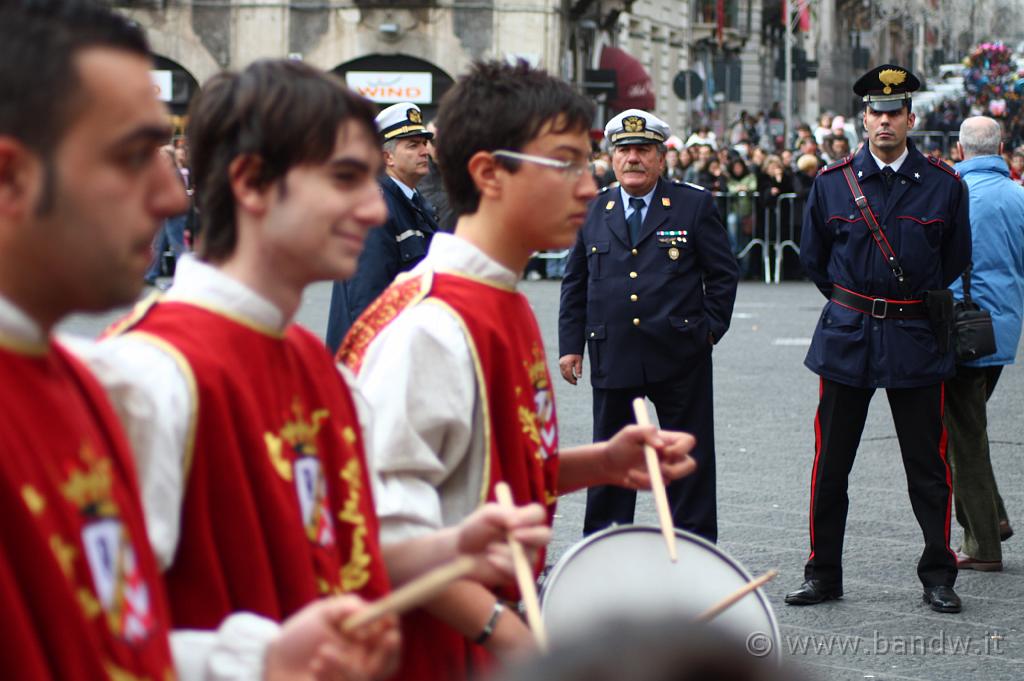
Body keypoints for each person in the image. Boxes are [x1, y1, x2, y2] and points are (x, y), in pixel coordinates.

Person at [83, 57, 553, 672]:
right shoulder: (146, 374)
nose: (374, 210)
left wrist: (452, 546)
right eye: (343, 178)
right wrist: (259, 660)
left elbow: (350, 548)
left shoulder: (321, 367)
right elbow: (86, 639)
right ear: (251, 184)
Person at [0, 2, 402, 678]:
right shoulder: (138, 375)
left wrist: (260, 657)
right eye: (135, 156)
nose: (171, 194)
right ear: (12, 176)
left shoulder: (76, 380)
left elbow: (113, 639)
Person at [337, 61, 698, 679]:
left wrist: (602, 463)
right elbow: (379, 532)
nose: (589, 185)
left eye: (589, 163)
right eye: (566, 163)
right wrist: (518, 639)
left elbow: (475, 474)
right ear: (488, 172)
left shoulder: (502, 299)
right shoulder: (429, 325)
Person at [787, 64, 971, 613]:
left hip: (915, 336)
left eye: (895, 113)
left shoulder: (943, 185)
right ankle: (823, 573)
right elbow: (815, 262)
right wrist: (858, 304)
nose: (885, 122)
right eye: (876, 113)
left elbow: (955, 258)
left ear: (911, 118)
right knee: (831, 466)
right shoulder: (831, 182)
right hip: (848, 337)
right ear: (863, 119)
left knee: (928, 468)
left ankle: (938, 574)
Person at [558, 109, 738, 542]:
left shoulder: (693, 205)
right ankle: (605, 550)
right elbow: (575, 281)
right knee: (611, 463)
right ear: (611, 158)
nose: (633, 159)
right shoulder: (593, 208)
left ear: (661, 159)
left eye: (643, 150)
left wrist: (707, 331)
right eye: (624, 150)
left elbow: (723, 274)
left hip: (679, 353)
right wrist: (571, 346)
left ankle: (694, 551)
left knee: (688, 461)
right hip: (614, 352)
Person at [945, 116, 1024, 571]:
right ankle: (993, 517)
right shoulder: (1017, 195)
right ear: (1000, 148)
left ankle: (983, 544)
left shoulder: (952, 193)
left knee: (964, 434)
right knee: (967, 423)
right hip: (1003, 330)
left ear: (960, 150)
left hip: (961, 328)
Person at [325, 102, 441, 352]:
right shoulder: (375, 209)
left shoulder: (414, 202)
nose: (424, 151)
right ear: (387, 157)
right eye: (413, 145)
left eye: (424, 143)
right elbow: (367, 302)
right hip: (376, 362)